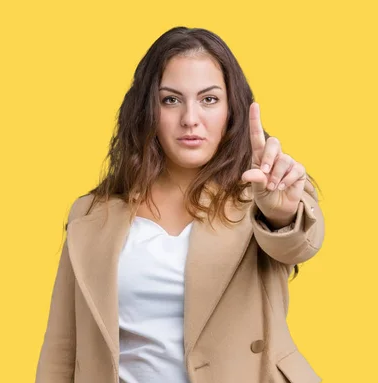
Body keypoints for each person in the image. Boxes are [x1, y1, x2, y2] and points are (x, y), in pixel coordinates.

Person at [35, 26, 325, 383]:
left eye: (209, 99)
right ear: (147, 110)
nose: (190, 118)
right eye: (171, 99)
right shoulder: (93, 214)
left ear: (232, 110)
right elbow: (62, 350)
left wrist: (279, 212)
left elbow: (298, 244)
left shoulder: (265, 195)